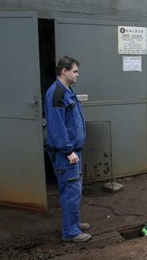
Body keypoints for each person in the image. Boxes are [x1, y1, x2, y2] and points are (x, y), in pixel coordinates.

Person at [45, 56, 91, 243]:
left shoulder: (67, 91)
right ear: (64, 71)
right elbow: (57, 127)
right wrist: (68, 151)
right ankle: (70, 232)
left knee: (75, 190)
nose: (77, 75)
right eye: (75, 71)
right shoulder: (56, 94)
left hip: (73, 151)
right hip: (66, 154)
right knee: (70, 191)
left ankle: (74, 223)